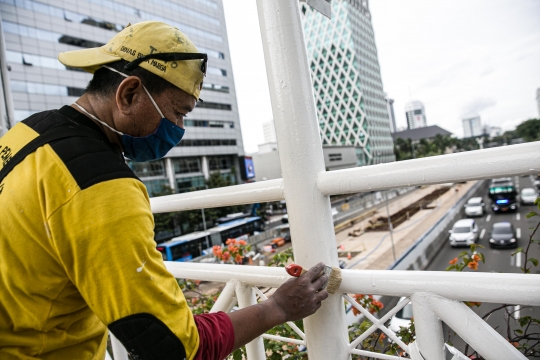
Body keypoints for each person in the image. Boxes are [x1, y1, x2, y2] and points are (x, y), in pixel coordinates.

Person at [0, 21, 329, 359]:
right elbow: (172, 347)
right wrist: (276, 308)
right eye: (178, 112)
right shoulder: (101, 187)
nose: (179, 128)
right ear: (129, 94)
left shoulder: (27, 133)